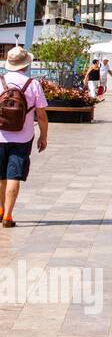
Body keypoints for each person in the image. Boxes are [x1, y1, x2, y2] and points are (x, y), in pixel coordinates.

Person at [0, 47, 49, 228]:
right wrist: (43, 137)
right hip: (23, 138)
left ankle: (0, 210)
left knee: (0, 176)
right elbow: (42, 115)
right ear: (26, 64)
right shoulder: (33, 84)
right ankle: (8, 216)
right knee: (14, 176)